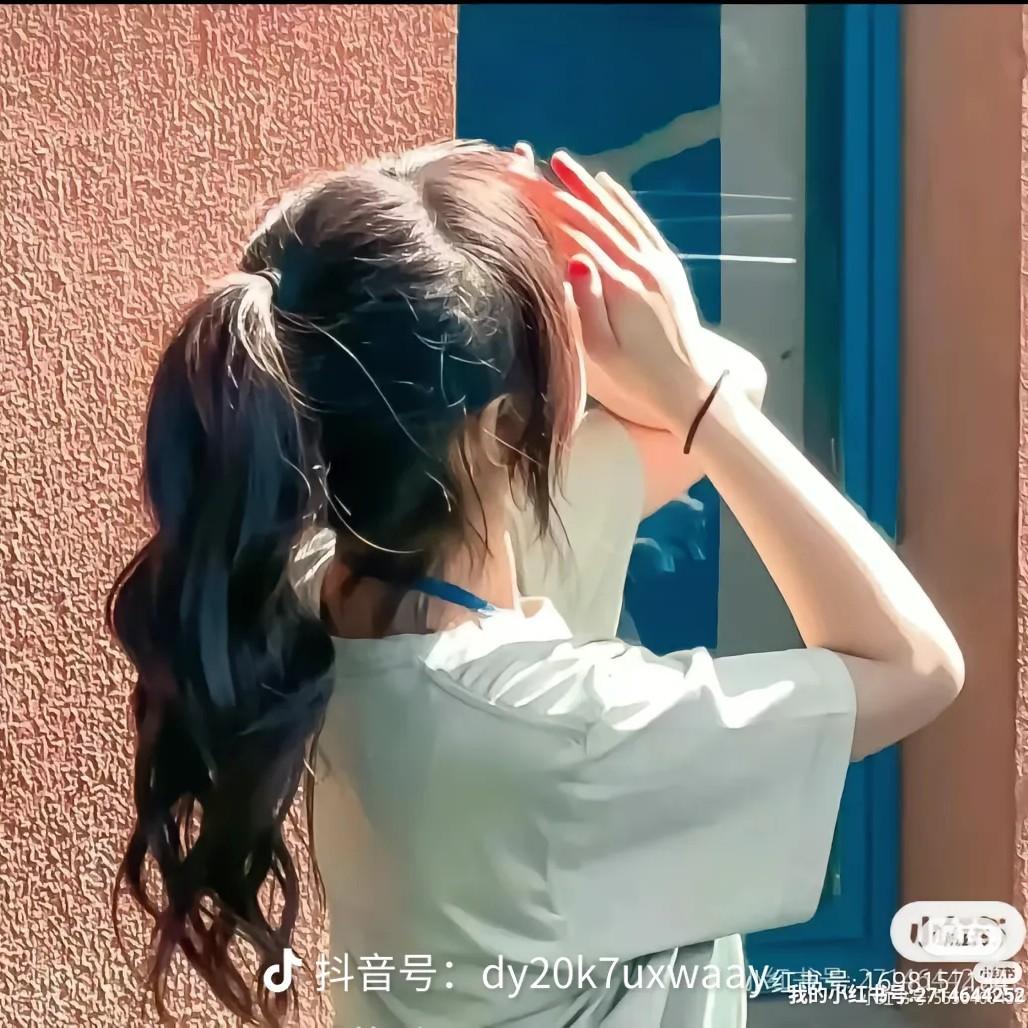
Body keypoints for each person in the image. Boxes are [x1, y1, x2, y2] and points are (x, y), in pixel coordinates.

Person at [108, 141, 963, 1028]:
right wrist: (675, 374)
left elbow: (732, 386)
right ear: (500, 430)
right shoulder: (556, 725)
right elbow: (913, 665)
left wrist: (505, 277)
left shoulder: (320, 595)